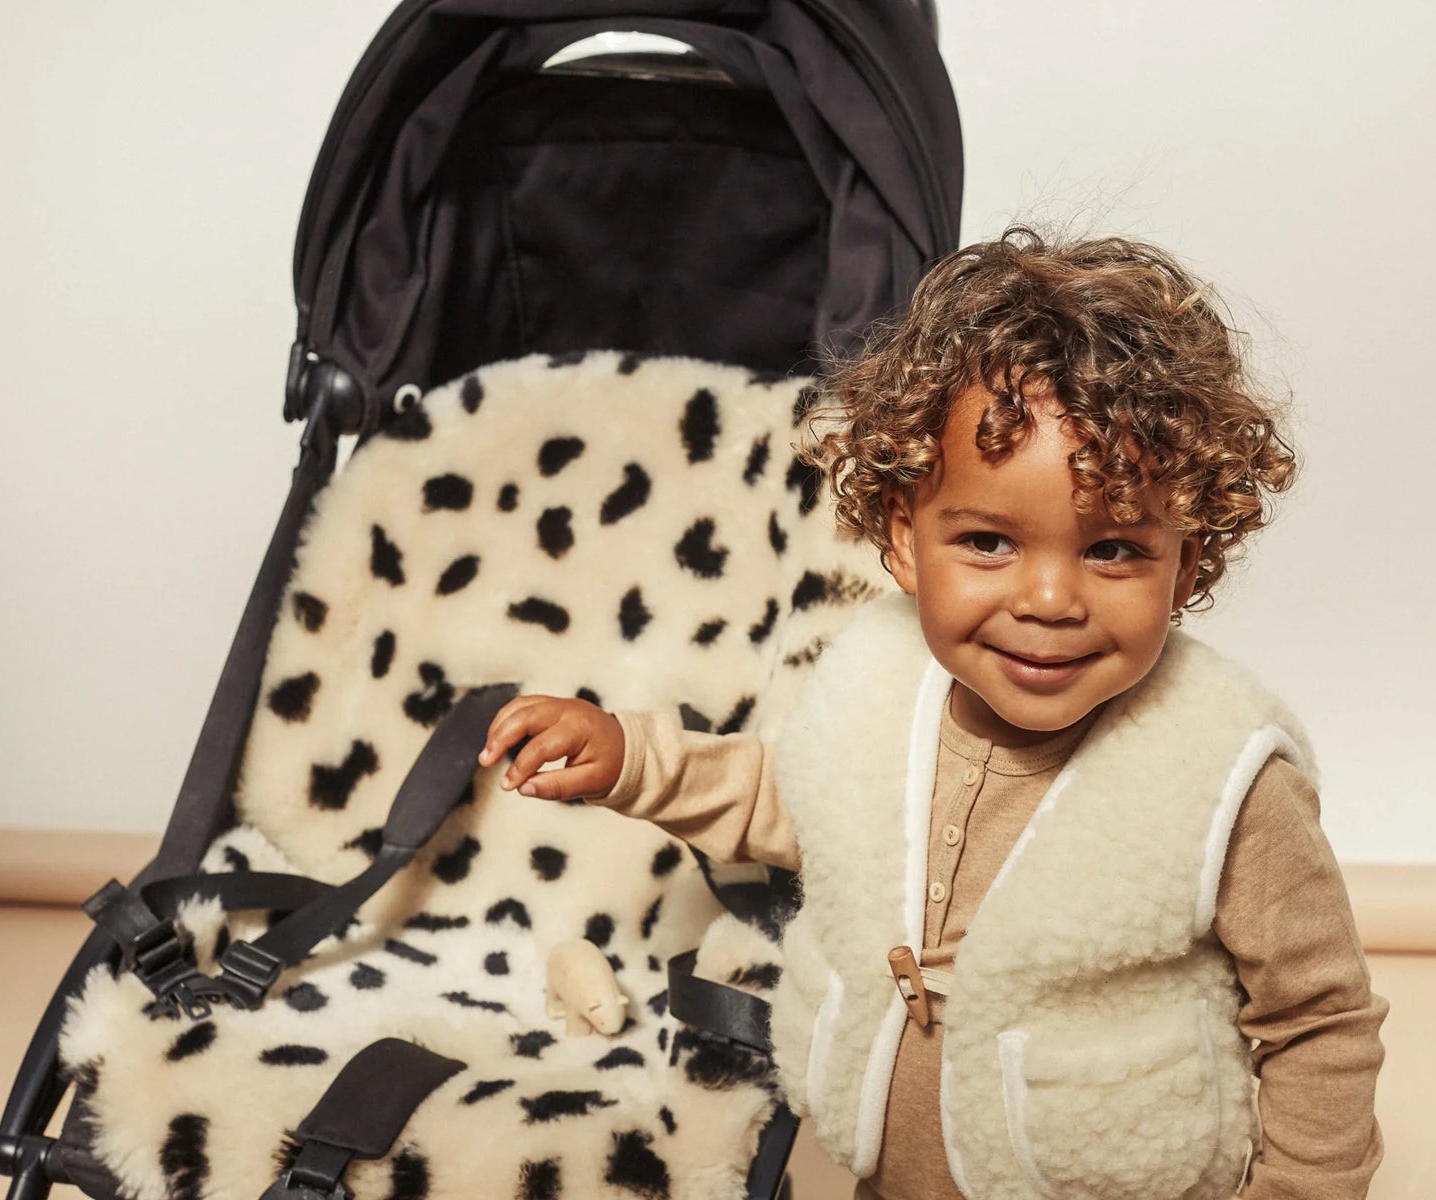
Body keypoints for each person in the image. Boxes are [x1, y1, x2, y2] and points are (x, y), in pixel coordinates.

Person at [478, 229, 1386, 1200]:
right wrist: (633, 759)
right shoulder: (877, 684)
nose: (1049, 600)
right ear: (906, 539)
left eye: (1114, 550)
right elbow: (796, 801)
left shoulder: (1224, 776)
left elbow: (1318, 1022)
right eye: (990, 542)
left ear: (1185, 563)